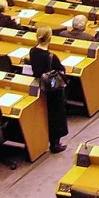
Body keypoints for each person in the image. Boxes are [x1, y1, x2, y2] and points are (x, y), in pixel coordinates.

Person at [29, 25, 68, 153]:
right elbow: (62, 70)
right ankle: (55, 144)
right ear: (50, 38)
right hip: (52, 89)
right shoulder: (51, 57)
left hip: (39, 85)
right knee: (56, 115)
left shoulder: (32, 51)